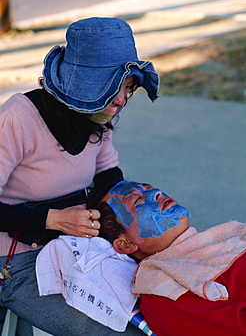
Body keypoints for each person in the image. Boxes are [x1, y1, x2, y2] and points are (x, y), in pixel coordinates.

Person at [0, 17, 159, 335]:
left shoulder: (97, 116)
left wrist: (140, 209)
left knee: (158, 314)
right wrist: (54, 220)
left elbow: (107, 174)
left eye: (128, 89)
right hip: (14, 261)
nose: (119, 102)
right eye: (112, 90)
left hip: (74, 249)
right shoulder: (17, 119)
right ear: (82, 88)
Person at [98, 180, 246, 336]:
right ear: (126, 244)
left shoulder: (225, 236)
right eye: (136, 200)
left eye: (151, 187)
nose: (157, 193)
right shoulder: (162, 292)